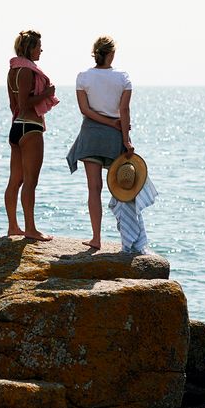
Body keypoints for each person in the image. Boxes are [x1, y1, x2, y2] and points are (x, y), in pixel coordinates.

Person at [65, 36, 133, 250]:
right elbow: (124, 111)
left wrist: (108, 122)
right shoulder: (123, 77)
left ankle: (96, 238)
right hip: (114, 137)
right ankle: (128, 239)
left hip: (91, 135)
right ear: (111, 54)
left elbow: (85, 111)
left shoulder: (83, 77)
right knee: (123, 188)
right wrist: (125, 138)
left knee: (94, 188)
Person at [4, 30, 59, 241]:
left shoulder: (12, 71)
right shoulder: (27, 72)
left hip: (16, 127)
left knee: (15, 180)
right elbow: (25, 103)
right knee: (30, 182)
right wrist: (47, 93)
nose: (41, 50)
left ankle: (13, 227)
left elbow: (13, 105)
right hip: (30, 128)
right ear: (29, 48)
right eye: (38, 46)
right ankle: (31, 229)